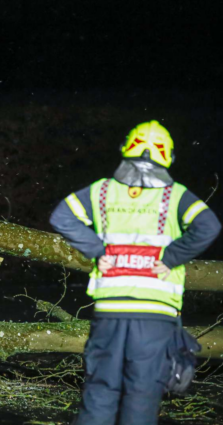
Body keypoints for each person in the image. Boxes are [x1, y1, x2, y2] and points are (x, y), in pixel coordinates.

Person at [50, 120, 221, 425]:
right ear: (167, 155)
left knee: (100, 391)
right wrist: (171, 257)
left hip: (111, 311)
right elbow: (208, 226)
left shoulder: (102, 191)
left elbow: (62, 216)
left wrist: (98, 251)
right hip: (155, 317)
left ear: (127, 148)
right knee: (142, 396)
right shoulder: (176, 196)